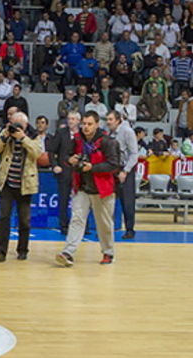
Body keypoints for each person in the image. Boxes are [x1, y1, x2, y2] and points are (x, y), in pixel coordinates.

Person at [56, 111, 120, 267]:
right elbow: (66, 156)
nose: (85, 127)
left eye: (89, 124)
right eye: (83, 123)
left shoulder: (107, 141)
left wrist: (93, 167)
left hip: (103, 189)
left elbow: (114, 165)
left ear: (97, 124)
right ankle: (68, 252)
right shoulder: (77, 140)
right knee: (76, 219)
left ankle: (108, 252)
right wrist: (70, 160)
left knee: (104, 223)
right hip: (82, 187)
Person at [0, 111, 42, 261]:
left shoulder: (33, 136)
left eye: (19, 124)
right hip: (7, 182)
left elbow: (37, 153)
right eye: (14, 123)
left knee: (24, 220)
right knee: (4, 217)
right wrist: (6, 135)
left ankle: (23, 250)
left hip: (25, 184)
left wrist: (23, 138)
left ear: (26, 125)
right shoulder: (6, 134)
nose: (16, 127)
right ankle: (0, 251)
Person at [107, 111, 138, 240]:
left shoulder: (127, 132)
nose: (108, 122)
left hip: (125, 169)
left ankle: (130, 229)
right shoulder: (109, 133)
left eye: (110, 119)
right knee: (108, 201)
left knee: (127, 201)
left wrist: (125, 170)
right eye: (107, 119)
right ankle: (107, 230)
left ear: (118, 120)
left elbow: (134, 154)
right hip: (112, 169)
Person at [48, 112, 81, 235]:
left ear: (78, 121)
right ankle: (63, 226)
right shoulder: (61, 133)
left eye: (73, 119)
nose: (70, 121)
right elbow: (51, 151)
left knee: (81, 200)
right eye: (69, 119)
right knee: (64, 199)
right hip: (64, 171)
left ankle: (83, 226)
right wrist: (55, 165)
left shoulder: (83, 134)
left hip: (79, 172)